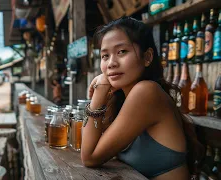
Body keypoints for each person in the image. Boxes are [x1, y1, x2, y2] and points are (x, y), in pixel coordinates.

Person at [81, 17, 203, 180]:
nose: (111, 63)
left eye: (122, 52)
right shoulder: (123, 98)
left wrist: (100, 89)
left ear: (147, 57)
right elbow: (89, 148)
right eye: (105, 56)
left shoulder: (146, 92)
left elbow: (89, 157)